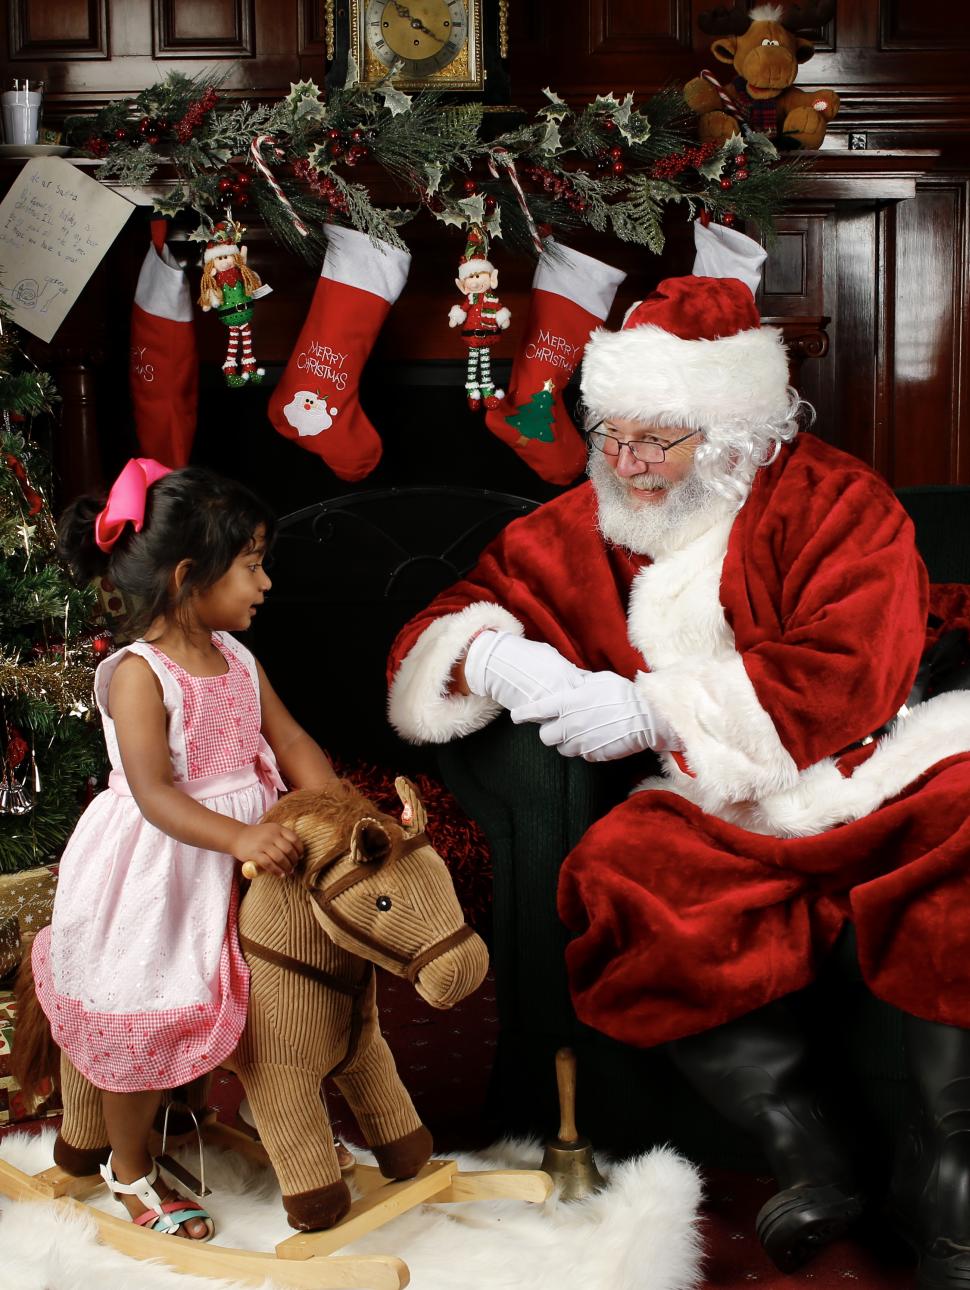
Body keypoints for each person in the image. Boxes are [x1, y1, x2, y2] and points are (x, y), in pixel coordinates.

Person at [387, 222, 970, 1289]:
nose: (631, 463)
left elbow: (854, 666)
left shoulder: (839, 502)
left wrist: (655, 712)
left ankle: (952, 1184)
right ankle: (806, 1147)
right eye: (614, 435)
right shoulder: (590, 518)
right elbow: (450, 617)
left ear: (735, 434)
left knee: (964, 851)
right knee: (620, 876)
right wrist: (497, 660)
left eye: (662, 441)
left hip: (883, 763)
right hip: (724, 806)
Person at [30, 459, 339, 1241]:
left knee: (265, 993)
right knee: (153, 1004)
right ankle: (128, 1167)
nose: (265, 582)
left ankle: (231, 1111)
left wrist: (336, 812)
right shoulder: (140, 674)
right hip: (160, 866)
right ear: (185, 576)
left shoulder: (238, 659)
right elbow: (155, 791)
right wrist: (240, 834)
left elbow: (291, 738)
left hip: (244, 858)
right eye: (252, 564)